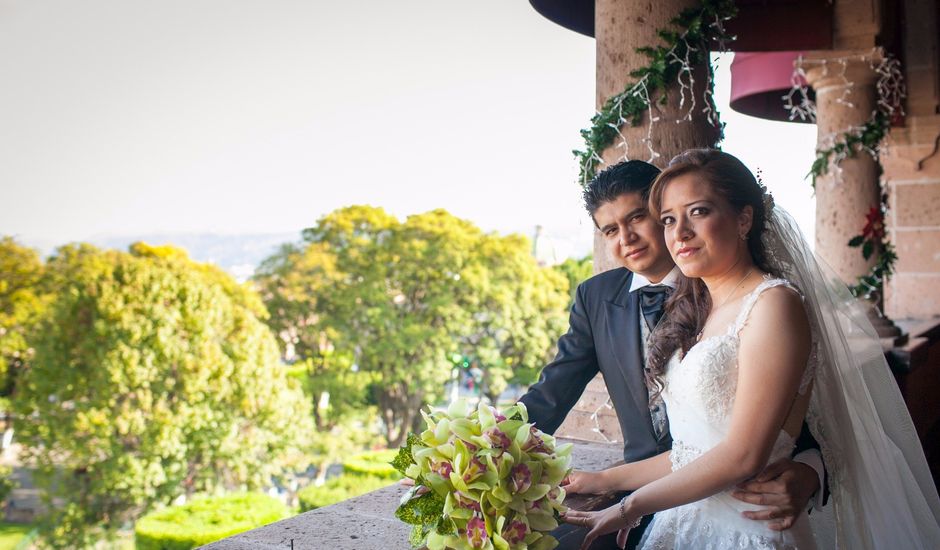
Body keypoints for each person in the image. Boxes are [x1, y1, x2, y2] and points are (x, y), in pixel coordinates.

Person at [562, 149, 940, 549]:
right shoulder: (697, 308)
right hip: (682, 523)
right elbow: (693, 449)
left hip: (746, 530)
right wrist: (604, 480)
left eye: (698, 212)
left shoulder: (774, 304)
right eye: (669, 219)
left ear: (744, 218)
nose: (680, 232)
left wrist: (628, 507)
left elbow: (743, 455)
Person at [518, 159, 824, 549]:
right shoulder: (597, 298)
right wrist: (479, 448)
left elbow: (798, 419)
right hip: (659, 505)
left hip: (744, 508)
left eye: (639, 218)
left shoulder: (756, 299)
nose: (626, 238)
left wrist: (810, 471)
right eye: (611, 230)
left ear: (742, 219)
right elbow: (551, 391)